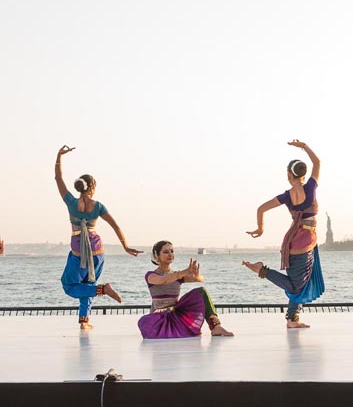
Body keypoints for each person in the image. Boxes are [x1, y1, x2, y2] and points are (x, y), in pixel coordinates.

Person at [55, 145, 142, 329]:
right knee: (89, 284)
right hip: (98, 250)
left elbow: (58, 178)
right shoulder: (98, 206)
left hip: (79, 252)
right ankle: (84, 321)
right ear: (92, 188)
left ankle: (104, 290)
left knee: (69, 285)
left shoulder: (71, 202)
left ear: (79, 187)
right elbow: (115, 225)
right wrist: (125, 247)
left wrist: (59, 156)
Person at [243, 140, 325, 328]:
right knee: (298, 285)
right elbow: (318, 163)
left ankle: (292, 319)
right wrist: (304, 147)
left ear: (289, 175)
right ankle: (262, 270)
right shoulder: (311, 187)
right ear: (303, 174)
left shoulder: (287, 196)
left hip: (293, 242)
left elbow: (261, 208)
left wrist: (260, 227)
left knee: (301, 281)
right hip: (305, 242)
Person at [137, 240, 233, 338]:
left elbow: (200, 279)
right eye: (166, 252)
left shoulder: (177, 276)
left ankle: (216, 327)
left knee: (201, 292)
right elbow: (164, 280)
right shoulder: (151, 275)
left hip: (176, 315)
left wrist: (197, 276)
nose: (170, 254)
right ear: (157, 256)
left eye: (172, 251)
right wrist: (185, 272)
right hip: (159, 319)